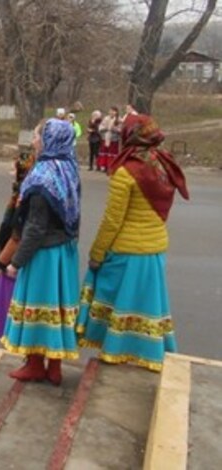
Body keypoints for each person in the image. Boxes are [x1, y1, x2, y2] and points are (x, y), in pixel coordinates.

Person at [76, 114, 189, 372]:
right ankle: (149, 354)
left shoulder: (126, 171)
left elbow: (113, 220)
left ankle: (116, 350)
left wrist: (97, 253)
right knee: (148, 304)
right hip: (155, 248)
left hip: (127, 250)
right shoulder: (164, 164)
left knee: (117, 301)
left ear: (130, 136)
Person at [0, 118, 81, 386]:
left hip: (44, 255)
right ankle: (54, 368)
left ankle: (35, 365)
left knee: (37, 307)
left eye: (38, 137)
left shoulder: (42, 177)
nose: (34, 141)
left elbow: (35, 227)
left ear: (50, 141)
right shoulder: (69, 168)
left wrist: (16, 261)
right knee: (56, 309)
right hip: (64, 252)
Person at [0, 152, 35, 340]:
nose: (11, 172)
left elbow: (17, 234)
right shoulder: (18, 194)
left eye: (15, 168)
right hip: (12, 257)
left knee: (9, 310)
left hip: (13, 262)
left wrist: (1, 262)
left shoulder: (24, 196)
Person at [97, 106, 121, 172]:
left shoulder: (119, 119)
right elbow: (101, 126)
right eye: (110, 111)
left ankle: (111, 166)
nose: (112, 112)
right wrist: (104, 128)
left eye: (113, 111)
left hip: (114, 138)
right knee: (104, 151)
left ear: (116, 112)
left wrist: (114, 129)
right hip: (105, 137)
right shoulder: (106, 118)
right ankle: (103, 165)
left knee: (112, 152)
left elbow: (120, 129)